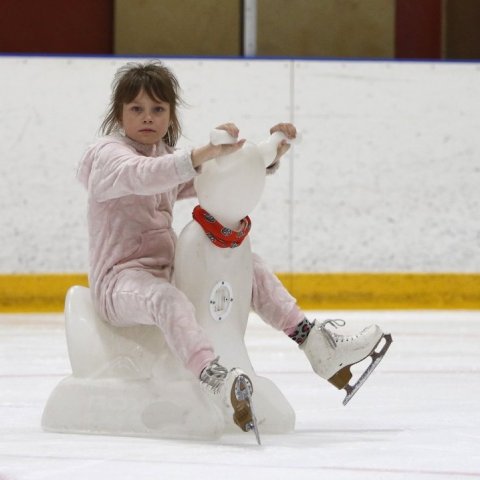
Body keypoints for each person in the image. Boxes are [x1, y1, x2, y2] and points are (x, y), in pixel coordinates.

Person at [77, 61, 390, 436]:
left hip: (168, 270)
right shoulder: (106, 157)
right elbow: (144, 176)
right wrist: (200, 155)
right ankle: (212, 376)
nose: (148, 118)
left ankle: (315, 343)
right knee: (167, 300)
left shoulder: (165, 157)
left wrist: (265, 155)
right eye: (137, 109)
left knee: (246, 266)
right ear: (119, 113)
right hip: (119, 282)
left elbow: (211, 182)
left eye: (158, 109)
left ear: (171, 114)